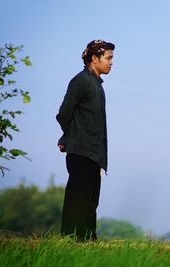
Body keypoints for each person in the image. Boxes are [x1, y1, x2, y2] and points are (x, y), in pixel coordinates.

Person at [56, 40, 115, 241]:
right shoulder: (81, 80)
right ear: (94, 58)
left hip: (94, 153)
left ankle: (88, 242)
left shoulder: (97, 84)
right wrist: (69, 136)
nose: (111, 62)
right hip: (80, 151)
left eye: (111, 58)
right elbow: (64, 113)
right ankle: (71, 241)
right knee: (77, 200)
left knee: (91, 201)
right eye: (108, 58)